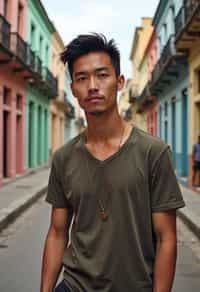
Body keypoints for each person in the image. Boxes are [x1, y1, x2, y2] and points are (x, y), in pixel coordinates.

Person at [40, 33, 185, 292]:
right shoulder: (63, 158)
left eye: (102, 75)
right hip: (75, 286)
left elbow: (166, 239)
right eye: (82, 78)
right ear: (73, 89)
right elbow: (57, 232)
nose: (92, 86)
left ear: (119, 82)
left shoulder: (153, 152)